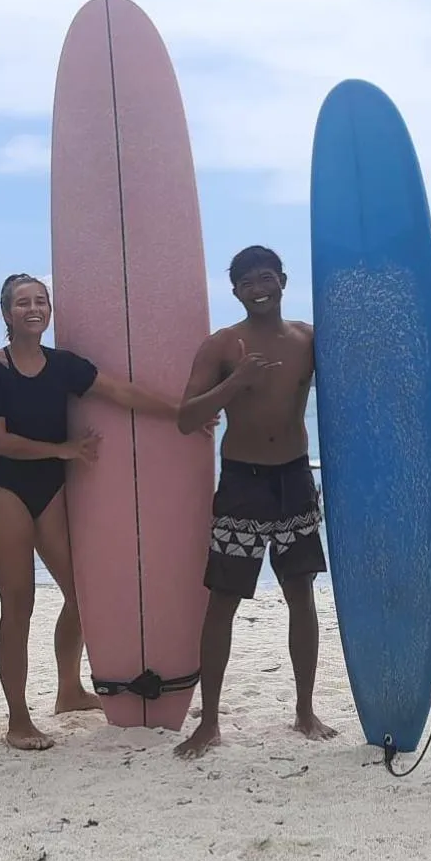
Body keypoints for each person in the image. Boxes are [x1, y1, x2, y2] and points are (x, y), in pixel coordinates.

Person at [0, 274, 211, 750]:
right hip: (4, 490)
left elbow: (121, 393)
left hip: (50, 489)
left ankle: (68, 690)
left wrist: (184, 411)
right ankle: (18, 718)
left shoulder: (62, 366)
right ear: (6, 313)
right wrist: (64, 449)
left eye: (41, 301)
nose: (34, 308)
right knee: (18, 605)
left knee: (82, 596)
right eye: (23, 303)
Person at [172, 246, 336, 758]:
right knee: (222, 600)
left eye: (266, 277)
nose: (258, 287)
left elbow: (351, 390)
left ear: (282, 280)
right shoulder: (222, 346)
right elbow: (184, 416)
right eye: (247, 282)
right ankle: (211, 721)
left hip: (293, 479)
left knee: (299, 594)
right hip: (242, 482)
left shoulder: (309, 339)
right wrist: (236, 382)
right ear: (236, 291)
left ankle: (305, 709)